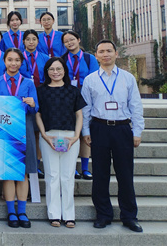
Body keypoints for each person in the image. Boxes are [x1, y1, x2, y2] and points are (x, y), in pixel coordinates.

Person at [81, 40, 144, 233]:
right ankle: (103, 215)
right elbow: (86, 108)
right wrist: (86, 131)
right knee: (100, 174)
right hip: (99, 128)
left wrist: (137, 131)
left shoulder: (127, 78)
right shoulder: (90, 80)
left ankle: (129, 216)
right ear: (96, 56)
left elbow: (136, 105)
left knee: (125, 174)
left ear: (116, 54)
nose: (105, 54)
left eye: (109, 51)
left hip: (122, 129)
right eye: (101, 51)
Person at [0, 48, 38, 229]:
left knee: (23, 172)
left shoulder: (28, 83)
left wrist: (32, 104)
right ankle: (11, 211)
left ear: (21, 63)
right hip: (5, 131)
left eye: (17, 60)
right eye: (10, 59)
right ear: (4, 61)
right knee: (8, 171)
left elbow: (35, 109)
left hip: (24, 129)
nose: (13, 63)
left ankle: (22, 211)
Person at [36, 57, 85, 228]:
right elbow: (38, 114)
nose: (55, 72)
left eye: (59, 69)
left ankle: (69, 215)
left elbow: (79, 115)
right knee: (52, 176)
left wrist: (76, 136)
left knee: (67, 176)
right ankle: (54, 214)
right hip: (49, 136)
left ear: (64, 71)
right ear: (47, 72)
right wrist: (43, 134)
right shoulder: (41, 91)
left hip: (69, 136)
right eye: (51, 69)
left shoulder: (73, 90)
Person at [61, 30, 99, 180]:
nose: (69, 43)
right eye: (66, 41)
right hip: (68, 100)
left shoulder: (89, 58)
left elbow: (95, 79)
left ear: (78, 40)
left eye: (72, 39)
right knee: (69, 133)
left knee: (84, 133)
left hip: (86, 99)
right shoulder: (62, 59)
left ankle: (85, 168)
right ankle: (71, 168)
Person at [21, 29, 50, 178]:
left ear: (38, 41)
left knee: (38, 132)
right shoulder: (19, 58)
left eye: (34, 39)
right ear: (23, 41)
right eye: (28, 39)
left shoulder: (44, 58)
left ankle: (37, 164)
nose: (31, 42)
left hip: (41, 96)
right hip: (25, 98)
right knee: (27, 131)